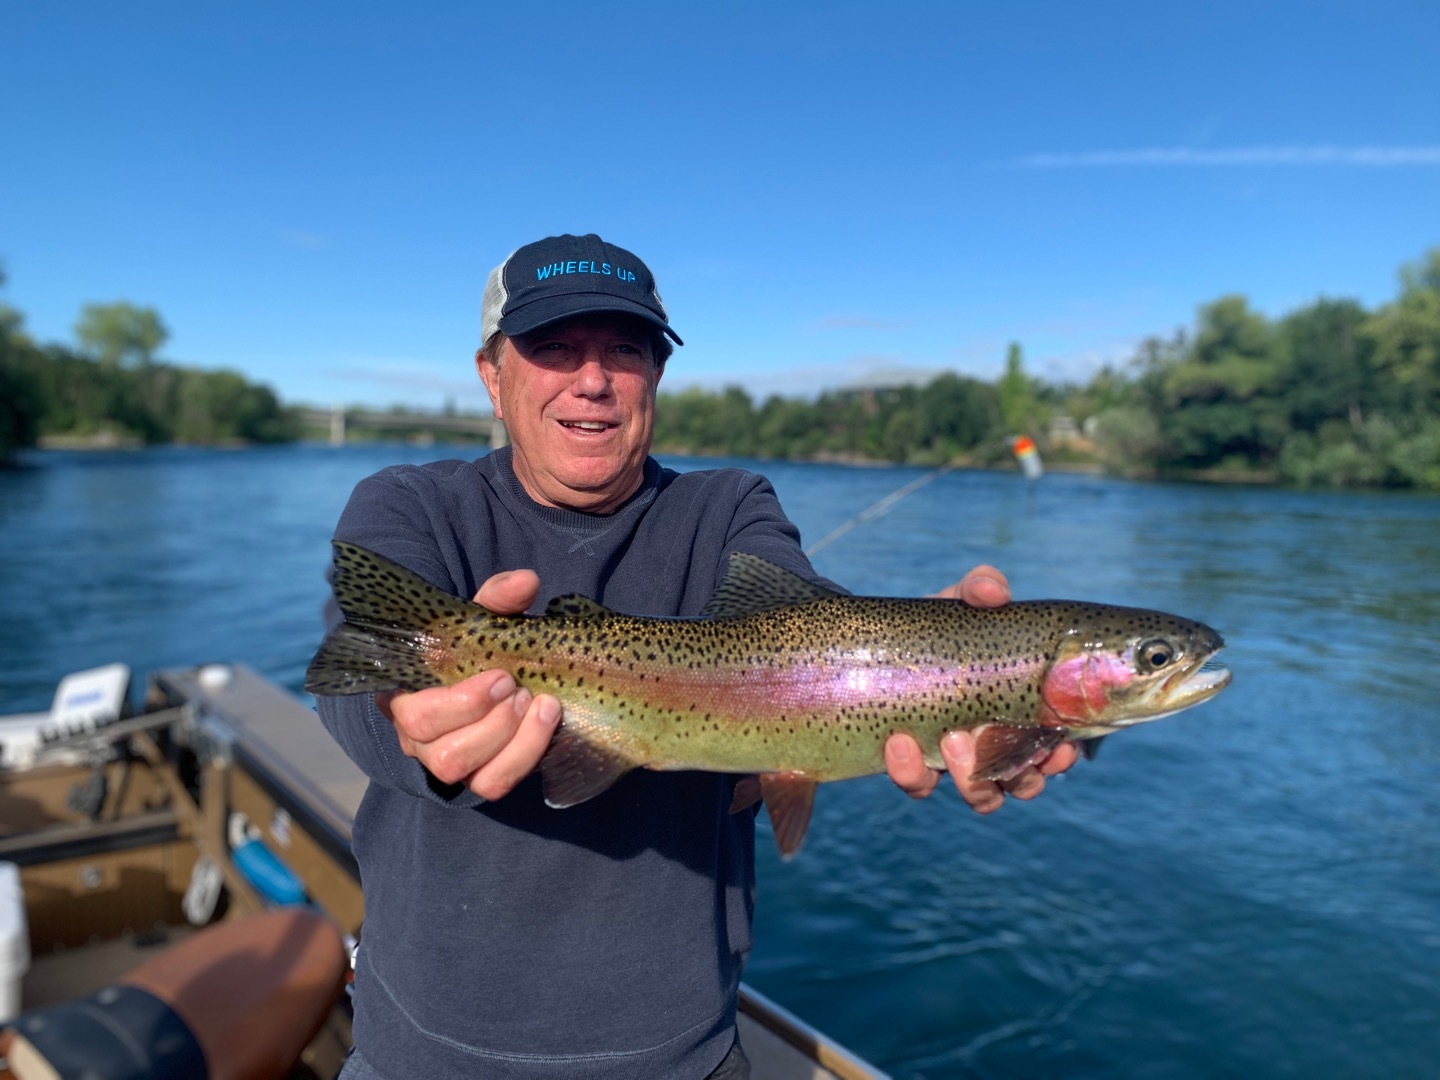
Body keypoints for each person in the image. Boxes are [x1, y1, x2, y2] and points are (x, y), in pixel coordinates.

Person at [316, 233, 1077, 1080]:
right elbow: (352, 681)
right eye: (554, 348)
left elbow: (799, 621)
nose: (594, 379)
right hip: (423, 1054)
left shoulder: (730, 506)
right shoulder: (410, 504)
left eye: (626, 351)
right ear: (493, 376)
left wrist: (940, 666)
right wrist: (410, 725)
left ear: (657, 378)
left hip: (683, 1057)